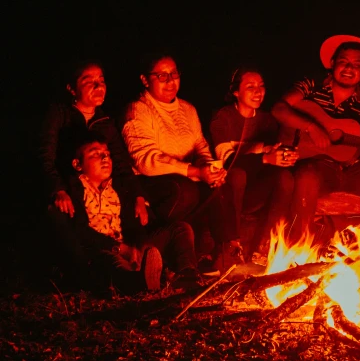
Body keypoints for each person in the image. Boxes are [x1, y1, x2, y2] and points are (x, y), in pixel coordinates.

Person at [271, 35, 360, 244]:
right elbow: (279, 109)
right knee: (307, 176)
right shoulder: (310, 85)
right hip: (314, 164)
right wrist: (311, 127)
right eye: (343, 61)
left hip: (351, 167)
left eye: (357, 65)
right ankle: (300, 247)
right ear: (333, 64)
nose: (349, 68)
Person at [121, 52, 242, 272]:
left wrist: (210, 169)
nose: (170, 81)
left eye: (174, 73)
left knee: (221, 185)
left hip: (189, 176)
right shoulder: (138, 110)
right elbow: (146, 161)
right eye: (162, 75)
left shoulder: (188, 109)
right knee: (187, 190)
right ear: (145, 80)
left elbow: (201, 147)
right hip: (152, 184)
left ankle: (227, 253)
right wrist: (195, 171)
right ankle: (174, 253)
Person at [47, 131, 202, 292]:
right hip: (101, 250)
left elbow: (133, 225)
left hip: (128, 247)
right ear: (77, 164)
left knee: (180, 229)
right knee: (110, 263)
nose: (105, 158)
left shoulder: (119, 187)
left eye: (107, 154)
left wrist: (138, 250)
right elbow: (80, 232)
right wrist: (119, 248)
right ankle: (137, 282)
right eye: (95, 155)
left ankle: (187, 275)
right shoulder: (72, 191)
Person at [39, 60, 147, 230]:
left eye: (101, 80)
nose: (98, 86)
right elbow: (45, 156)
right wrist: (58, 190)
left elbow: (121, 163)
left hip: (101, 194)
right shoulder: (59, 115)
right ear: (72, 89)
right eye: (88, 81)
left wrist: (138, 196)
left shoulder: (106, 123)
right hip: (69, 190)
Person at [210, 66, 298, 261]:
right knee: (237, 175)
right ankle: (232, 246)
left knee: (284, 177)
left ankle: (265, 246)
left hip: (255, 192)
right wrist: (265, 157)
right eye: (250, 87)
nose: (258, 92)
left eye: (261, 86)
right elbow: (228, 163)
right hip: (228, 191)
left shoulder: (267, 121)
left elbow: (274, 152)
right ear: (235, 92)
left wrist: (286, 156)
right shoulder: (223, 118)